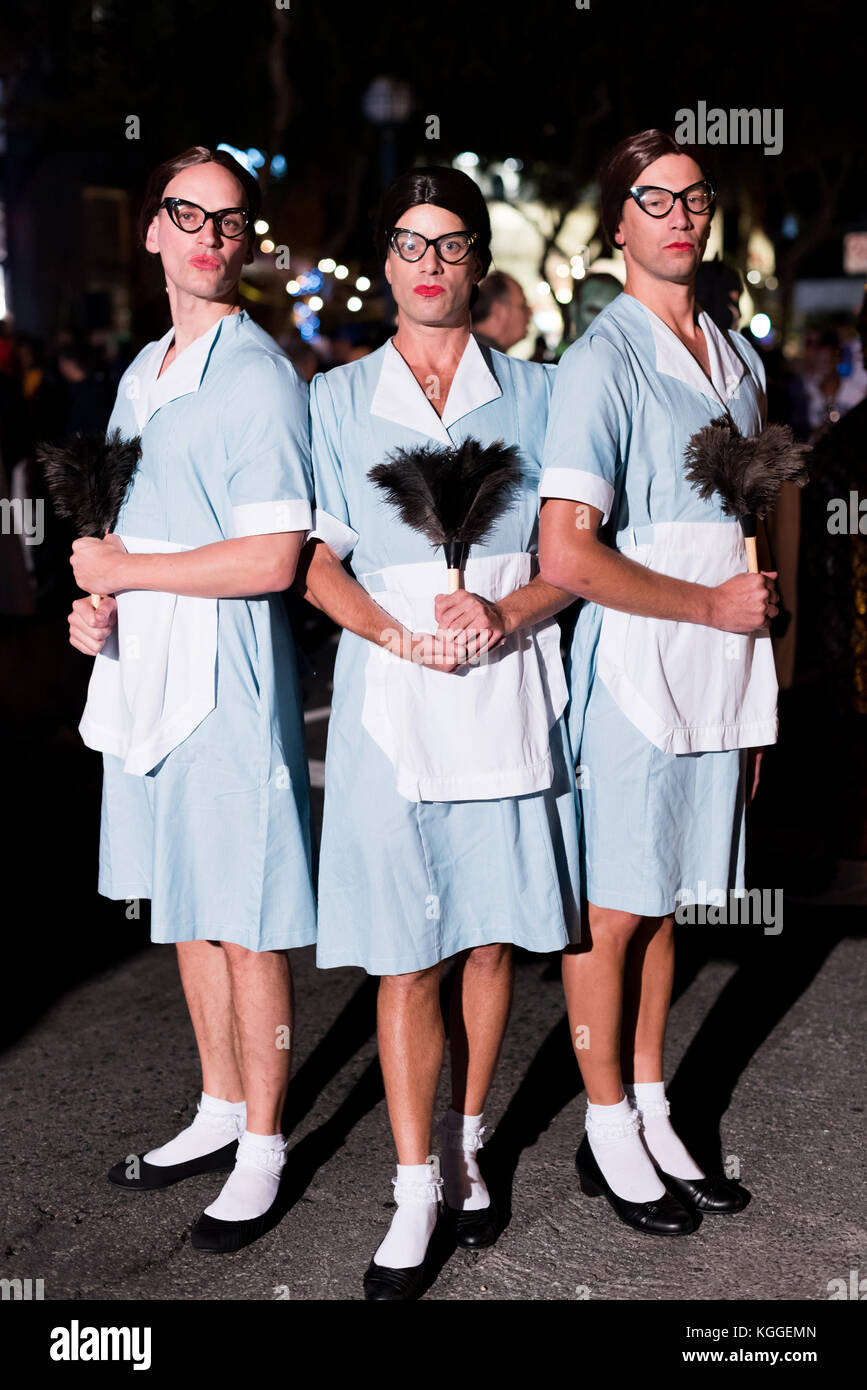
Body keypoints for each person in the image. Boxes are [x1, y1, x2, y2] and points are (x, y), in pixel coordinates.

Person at [296, 166, 581, 1298]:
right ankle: (414, 1182)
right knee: (408, 949)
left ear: (475, 260)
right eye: (409, 245)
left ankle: (468, 1147)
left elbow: (573, 558)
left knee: (488, 937)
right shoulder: (333, 398)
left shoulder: (542, 393)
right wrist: (392, 631)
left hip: (508, 682)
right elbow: (314, 565)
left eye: (449, 244)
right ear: (387, 262)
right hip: (388, 694)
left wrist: (505, 611)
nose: (429, 264)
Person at [65, 146, 317, 1253]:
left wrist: (131, 574)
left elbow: (273, 557)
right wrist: (97, 608)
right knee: (188, 899)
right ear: (154, 232)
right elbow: (134, 527)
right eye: (190, 215)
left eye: (231, 220)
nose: (213, 236)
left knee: (247, 912)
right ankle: (218, 1104)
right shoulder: (147, 368)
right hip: (150, 664)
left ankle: (264, 1142)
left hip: (224, 667)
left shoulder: (257, 373)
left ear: (244, 242)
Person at [538, 130, 780, 1235]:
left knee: (671, 892)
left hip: (725, 666)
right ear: (620, 222)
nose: (679, 214)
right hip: (640, 660)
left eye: (695, 196)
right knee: (614, 908)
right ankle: (602, 1126)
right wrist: (711, 611)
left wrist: (763, 653)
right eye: (654, 198)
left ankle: (649, 1103)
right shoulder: (603, 358)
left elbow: (752, 530)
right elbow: (566, 556)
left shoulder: (740, 356)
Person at [471, 269, 533, 352]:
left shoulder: (472, 351)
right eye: (523, 306)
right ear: (498, 313)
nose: (530, 313)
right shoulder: (485, 359)